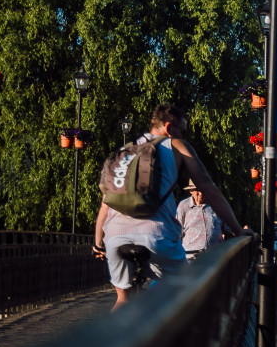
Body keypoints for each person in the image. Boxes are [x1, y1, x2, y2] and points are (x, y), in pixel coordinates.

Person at [93, 103, 246, 309]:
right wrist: (239, 231)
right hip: (156, 237)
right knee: (186, 294)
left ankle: (110, 340)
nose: (184, 137)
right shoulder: (176, 145)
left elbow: (106, 202)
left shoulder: (126, 150)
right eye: (183, 132)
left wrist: (98, 243)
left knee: (123, 299)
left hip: (114, 237)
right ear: (169, 128)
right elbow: (209, 189)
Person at [176, 183, 224, 260]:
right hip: (191, 257)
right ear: (191, 191)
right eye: (197, 190)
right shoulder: (184, 206)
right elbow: (177, 231)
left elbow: (225, 226)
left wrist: (239, 230)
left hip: (215, 255)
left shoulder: (215, 204)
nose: (201, 193)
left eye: (203, 189)